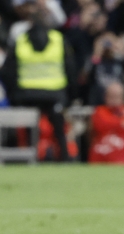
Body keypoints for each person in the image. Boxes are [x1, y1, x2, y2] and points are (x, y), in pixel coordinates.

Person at [0, 17, 77, 161]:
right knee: (59, 129)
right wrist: (71, 95)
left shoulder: (21, 40)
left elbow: (8, 71)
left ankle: (28, 158)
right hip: (55, 93)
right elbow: (71, 69)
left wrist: (14, 94)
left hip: (26, 94)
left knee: (28, 130)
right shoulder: (58, 39)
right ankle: (64, 157)